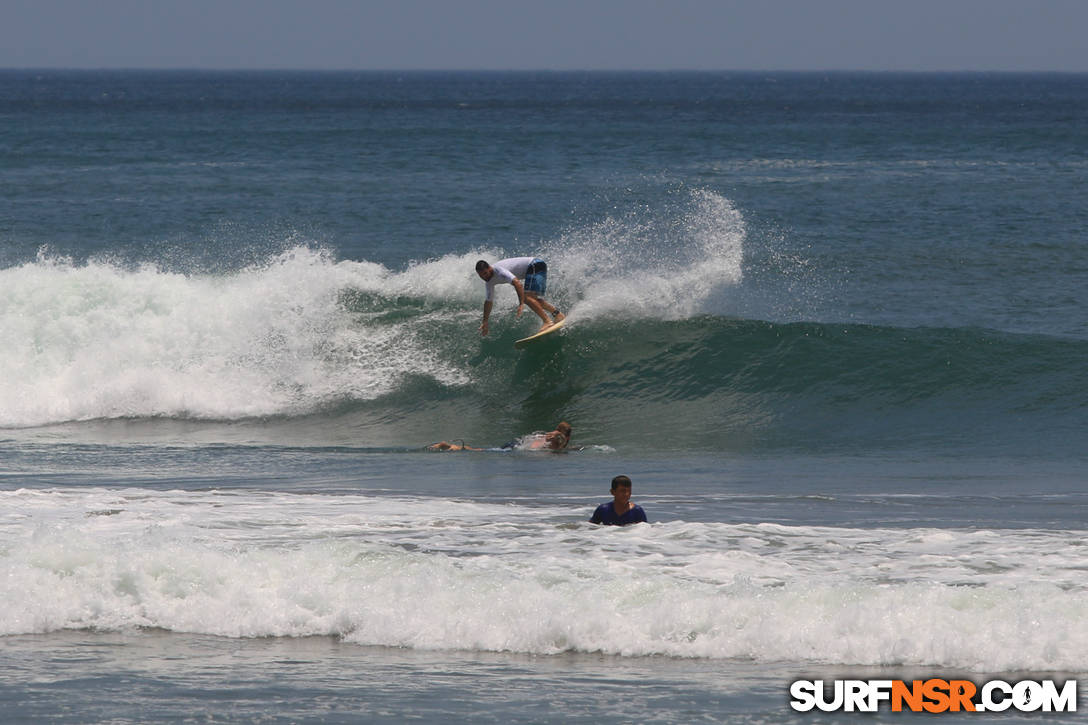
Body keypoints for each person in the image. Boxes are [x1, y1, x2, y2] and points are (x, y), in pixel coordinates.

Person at [475, 257, 564, 336]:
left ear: (489, 268)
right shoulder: (489, 281)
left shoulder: (499, 270)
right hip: (535, 266)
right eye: (481, 276)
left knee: (526, 298)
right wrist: (485, 321)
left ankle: (547, 321)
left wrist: (521, 303)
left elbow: (517, 283)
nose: (484, 277)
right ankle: (558, 315)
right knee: (532, 299)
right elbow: (488, 301)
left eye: (485, 273)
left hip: (535, 265)